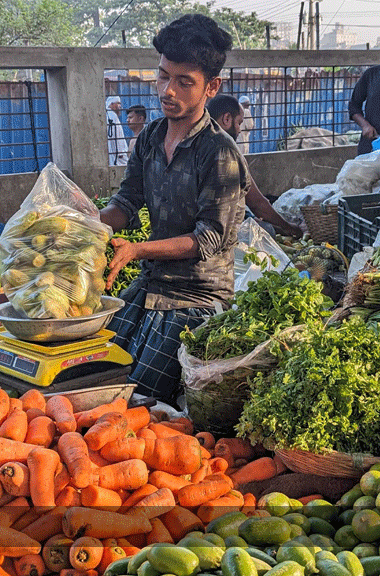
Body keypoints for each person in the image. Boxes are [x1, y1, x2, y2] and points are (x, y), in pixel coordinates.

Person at [100, 14, 249, 402]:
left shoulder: (219, 153)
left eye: (185, 82)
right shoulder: (149, 137)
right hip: (150, 284)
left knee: (134, 394)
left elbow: (209, 238)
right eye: (163, 76)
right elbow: (127, 200)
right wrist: (84, 224)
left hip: (196, 298)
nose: (168, 91)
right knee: (93, 366)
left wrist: (135, 250)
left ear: (211, 87)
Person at [207, 94, 302, 237]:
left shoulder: (196, 141)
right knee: (265, 229)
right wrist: (291, 229)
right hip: (214, 234)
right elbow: (258, 203)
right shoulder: (227, 152)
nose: (239, 130)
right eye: (238, 123)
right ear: (226, 119)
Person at [106, 96, 129, 166]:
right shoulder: (112, 116)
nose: (120, 106)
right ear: (112, 104)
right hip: (118, 154)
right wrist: (120, 153)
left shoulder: (109, 114)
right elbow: (117, 136)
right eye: (118, 103)